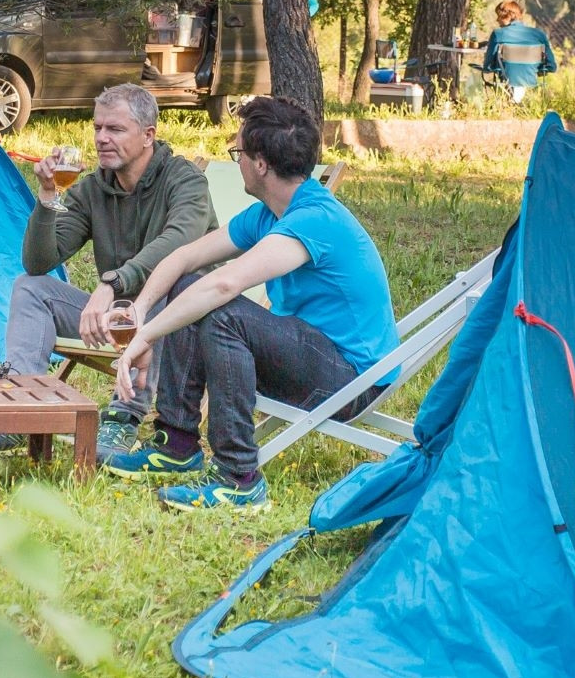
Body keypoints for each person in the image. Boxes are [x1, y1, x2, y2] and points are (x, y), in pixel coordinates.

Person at [103, 97, 400, 512]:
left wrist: (147, 336)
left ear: (260, 163)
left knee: (223, 312)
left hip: (353, 382)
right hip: (314, 357)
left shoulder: (315, 218)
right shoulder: (268, 215)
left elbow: (225, 284)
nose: (236, 159)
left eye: (238, 151)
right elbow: (185, 258)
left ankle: (239, 479)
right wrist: (139, 312)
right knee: (190, 286)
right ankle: (177, 444)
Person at [8, 83, 217, 452]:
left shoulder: (185, 181)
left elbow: (177, 244)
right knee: (30, 287)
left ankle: (123, 416)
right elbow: (38, 261)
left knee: (169, 286)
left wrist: (113, 284)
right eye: (98, 127)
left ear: (148, 135)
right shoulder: (94, 189)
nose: (102, 138)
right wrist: (47, 196)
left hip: (183, 323)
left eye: (115, 129)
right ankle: (20, 408)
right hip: (119, 320)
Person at [479, 0, 556, 103]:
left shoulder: (498, 34)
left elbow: (488, 65)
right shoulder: (539, 34)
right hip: (532, 84)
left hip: (506, 81)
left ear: (508, 16)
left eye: (499, 16)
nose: (497, 20)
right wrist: (538, 70)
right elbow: (552, 66)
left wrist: (488, 68)